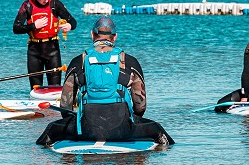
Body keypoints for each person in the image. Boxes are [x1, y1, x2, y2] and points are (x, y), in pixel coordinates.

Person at [37, 16, 174, 146]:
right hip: (123, 130)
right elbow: (140, 105)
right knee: (156, 128)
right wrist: (130, 120)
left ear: (92, 35)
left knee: (51, 128)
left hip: (85, 130)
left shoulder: (77, 61)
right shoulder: (131, 61)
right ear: (115, 37)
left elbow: (65, 106)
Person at [13, 0, 77, 89]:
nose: (46, 1)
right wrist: (34, 26)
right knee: (36, 88)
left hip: (53, 50)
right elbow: (16, 28)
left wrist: (69, 26)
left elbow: (73, 21)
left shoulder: (55, 3)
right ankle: (35, 106)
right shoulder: (27, 5)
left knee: (55, 87)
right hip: (34, 51)